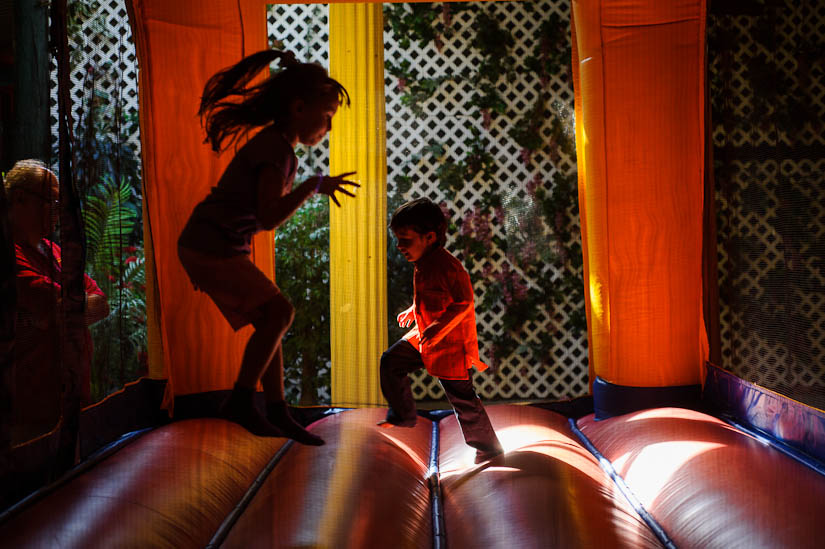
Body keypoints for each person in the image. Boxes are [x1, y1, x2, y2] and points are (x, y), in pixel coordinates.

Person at [178, 49, 358, 444]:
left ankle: (277, 411)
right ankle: (242, 401)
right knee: (281, 312)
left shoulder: (280, 147)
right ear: (298, 108)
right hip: (209, 243)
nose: (328, 126)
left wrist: (312, 184)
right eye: (326, 116)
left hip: (214, 244)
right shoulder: (276, 148)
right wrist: (313, 186)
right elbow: (268, 218)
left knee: (271, 319)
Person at [380, 197, 504, 464]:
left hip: (449, 343)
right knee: (391, 360)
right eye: (398, 239)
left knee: (463, 399)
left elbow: (463, 302)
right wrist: (413, 310)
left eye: (406, 240)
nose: (400, 246)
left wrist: (437, 328)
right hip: (424, 335)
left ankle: (489, 447)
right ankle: (402, 414)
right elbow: (429, 296)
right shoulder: (423, 263)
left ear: (430, 237)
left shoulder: (449, 267)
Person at [5, 159, 109, 443]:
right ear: (19, 199)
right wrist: (70, 308)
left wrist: (70, 309)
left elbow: (101, 303)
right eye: (50, 199)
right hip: (32, 410)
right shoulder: (9, 257)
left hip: (72, 399)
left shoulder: (53, 250)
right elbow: (57, 307)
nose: (58, 209)